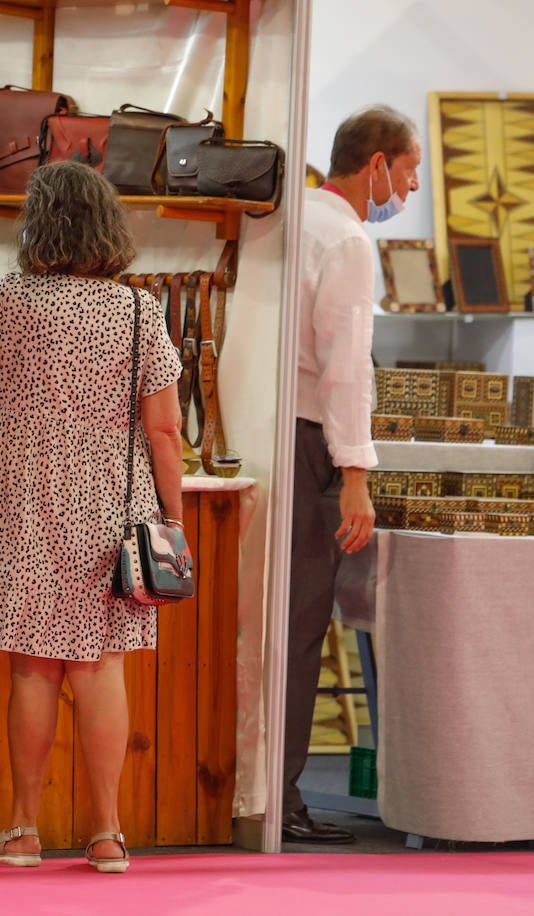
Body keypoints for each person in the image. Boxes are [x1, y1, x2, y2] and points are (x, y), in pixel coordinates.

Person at [0, 160, 184, 874]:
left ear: (38, 223)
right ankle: (108, 834)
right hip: (112, 507)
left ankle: (24, 828)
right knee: (102, 666)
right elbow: (166, 428)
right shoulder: (141, 311)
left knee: (33, 671)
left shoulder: (10, 299)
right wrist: (173, 521)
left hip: (21, 499)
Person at [283, 105, 420, 844]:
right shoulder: (348, 238)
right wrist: (357, 471)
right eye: (408, 170)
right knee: (303, 626)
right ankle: (282, 796)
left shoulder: (290, 215)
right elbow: (344, 372)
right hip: (314, 444)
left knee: (277, 626)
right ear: (375, 166)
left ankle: (264, 788)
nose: (413, 184)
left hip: (279, 435)